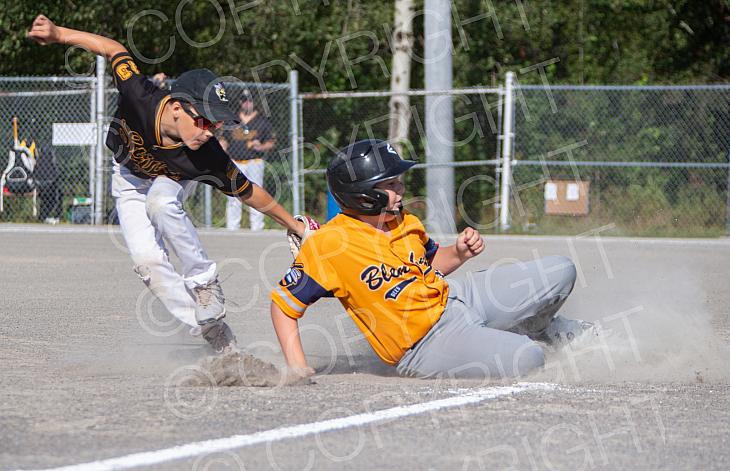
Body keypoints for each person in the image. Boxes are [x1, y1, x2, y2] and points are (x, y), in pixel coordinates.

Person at [27, 14, 309, 354]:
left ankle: (205, 283)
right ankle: (212, 331)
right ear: (177, 108)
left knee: (160, 203)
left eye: (217, 125)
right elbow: (113, 49)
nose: (210, 132)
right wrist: (59, 34)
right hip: (129, 180)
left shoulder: (206, 155)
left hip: (172, 181)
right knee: (147, 263)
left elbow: (248, 191)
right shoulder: (140, 96)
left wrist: (294, 225)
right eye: (204, 121)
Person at [270, 139, 595, 379]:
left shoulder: (404, 220)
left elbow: (431, 264)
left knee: (561, 270)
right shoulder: (330, 244)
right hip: (426, 345)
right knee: (529, 357)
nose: (401, 189)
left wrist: (460, 253)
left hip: (456, 297)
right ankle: (521, 337)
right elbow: (283, 306)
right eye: (391, 184)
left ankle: (535, 325)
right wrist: (297, 366)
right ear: (364, 196)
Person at [219, 91, 275, 231]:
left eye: (249, 100)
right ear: (240, 102)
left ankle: (257, 227)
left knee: (256, 194)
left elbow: (271, 142)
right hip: (235, 162)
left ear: (254, 102)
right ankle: (232, 228)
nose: (247, 103)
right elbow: (224, 139)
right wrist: (222, 148)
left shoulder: (262, 121)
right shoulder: (233, 120)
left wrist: (261, 146)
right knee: (233, 195)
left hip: (254, 162)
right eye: (244, 100)